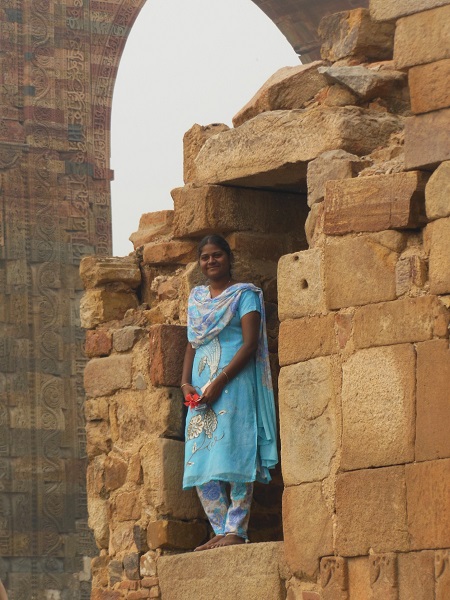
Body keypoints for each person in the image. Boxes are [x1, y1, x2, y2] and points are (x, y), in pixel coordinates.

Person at [181, 234, 278, 550]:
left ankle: (237, 529)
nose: (211, 261)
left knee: (236, 451)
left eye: (217, 255)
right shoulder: (197, 300)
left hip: (233, 385)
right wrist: (185, 383)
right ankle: (220, 528)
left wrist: (221, 380)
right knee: (201, 457)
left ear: (228, 257)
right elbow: (192, 343)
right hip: (199, 392)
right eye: (205, 257)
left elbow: (250, 344)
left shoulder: (244, 295)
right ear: (200, 262)